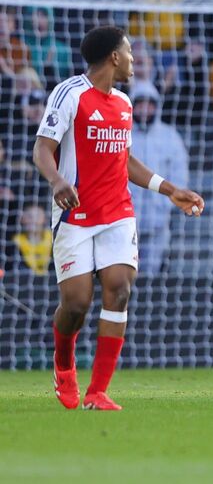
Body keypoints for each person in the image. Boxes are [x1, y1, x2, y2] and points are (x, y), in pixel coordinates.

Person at [32, 26, 204, 411]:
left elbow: (123, 159)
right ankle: (64, 364)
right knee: (76, 305)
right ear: (113, 57)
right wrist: (57, 180)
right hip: (75, 214)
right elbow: (42, 148)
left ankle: (98, 392)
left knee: (120, 289)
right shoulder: (70, 94)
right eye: (129, 52)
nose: (133, 60)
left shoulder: (124, 103)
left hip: (118, 214)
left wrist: (169, 189)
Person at [129, 83, 190, 277]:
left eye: (150, 105)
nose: (145, 110)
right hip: (125, 222)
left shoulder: (170, 137)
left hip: (159, 222)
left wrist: (165, 204)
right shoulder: (122, 135)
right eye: (140, 105)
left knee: (151, 274)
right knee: (125, 273)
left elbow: (179, 175)